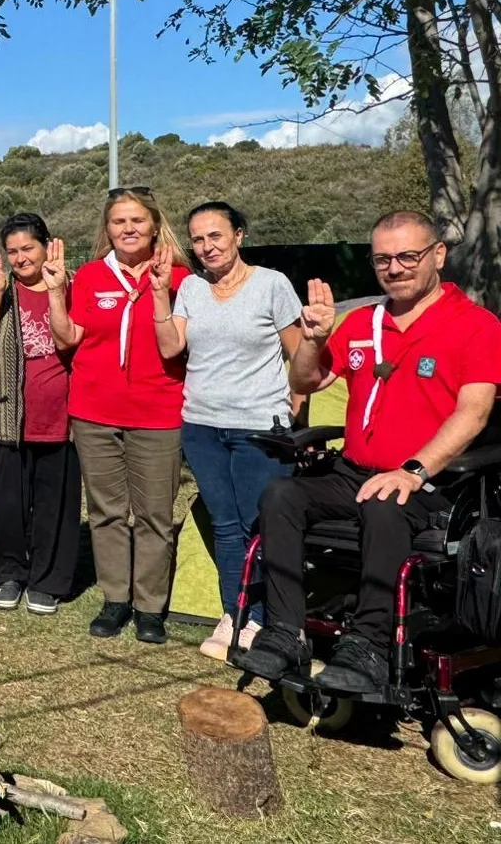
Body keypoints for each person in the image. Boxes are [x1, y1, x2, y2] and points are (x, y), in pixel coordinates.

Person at [238, 211, 501, 692]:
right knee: (281, 495)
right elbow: (306, 380)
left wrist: (413, 471)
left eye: (408, 256)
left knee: (385, 502)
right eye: (382, 259)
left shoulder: (476, 325)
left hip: (431, 483)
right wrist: (313, 341)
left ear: (438, 255)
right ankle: (285, 633)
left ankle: (370, 647)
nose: (394, 268)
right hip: (353, 472)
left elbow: (474, 413)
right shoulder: (362, 321)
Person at [153, 202, 303, 660]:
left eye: (216, 235)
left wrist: (294, 413)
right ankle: (232, 612)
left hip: (259, 428)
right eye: (198, 239)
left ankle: (263, 617)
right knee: (224, 525)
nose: (206, 247)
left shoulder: (272, 284)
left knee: (258, 524)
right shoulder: (191, 289)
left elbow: (301, 358)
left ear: (239, 235)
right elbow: (171, 346)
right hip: (202, 427)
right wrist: (159, 295)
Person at [48, 187, 190, 644]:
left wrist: (162, 291)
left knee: (154, 514)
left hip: (158, 412)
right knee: (106, 512)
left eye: (137, 220)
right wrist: (56, 292)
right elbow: (67, 337)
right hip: (94, 411)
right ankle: (115, 599)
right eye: (118, 222)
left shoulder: (182, 278)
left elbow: (179, 346)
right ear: (107, 229)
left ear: (155, 225)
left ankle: (149, 605)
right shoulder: (91, 276)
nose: (128, 229)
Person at [0, 213, 81, 616]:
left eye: (28, 248)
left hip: (61, 415)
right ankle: (9, 573)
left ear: (47, 246)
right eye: (12, 251)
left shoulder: (72, 286)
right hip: (8, 414)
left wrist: (57, 290)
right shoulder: (2, 292)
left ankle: (48, 580)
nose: (20, 258)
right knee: (7, 502)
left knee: (55, 503)